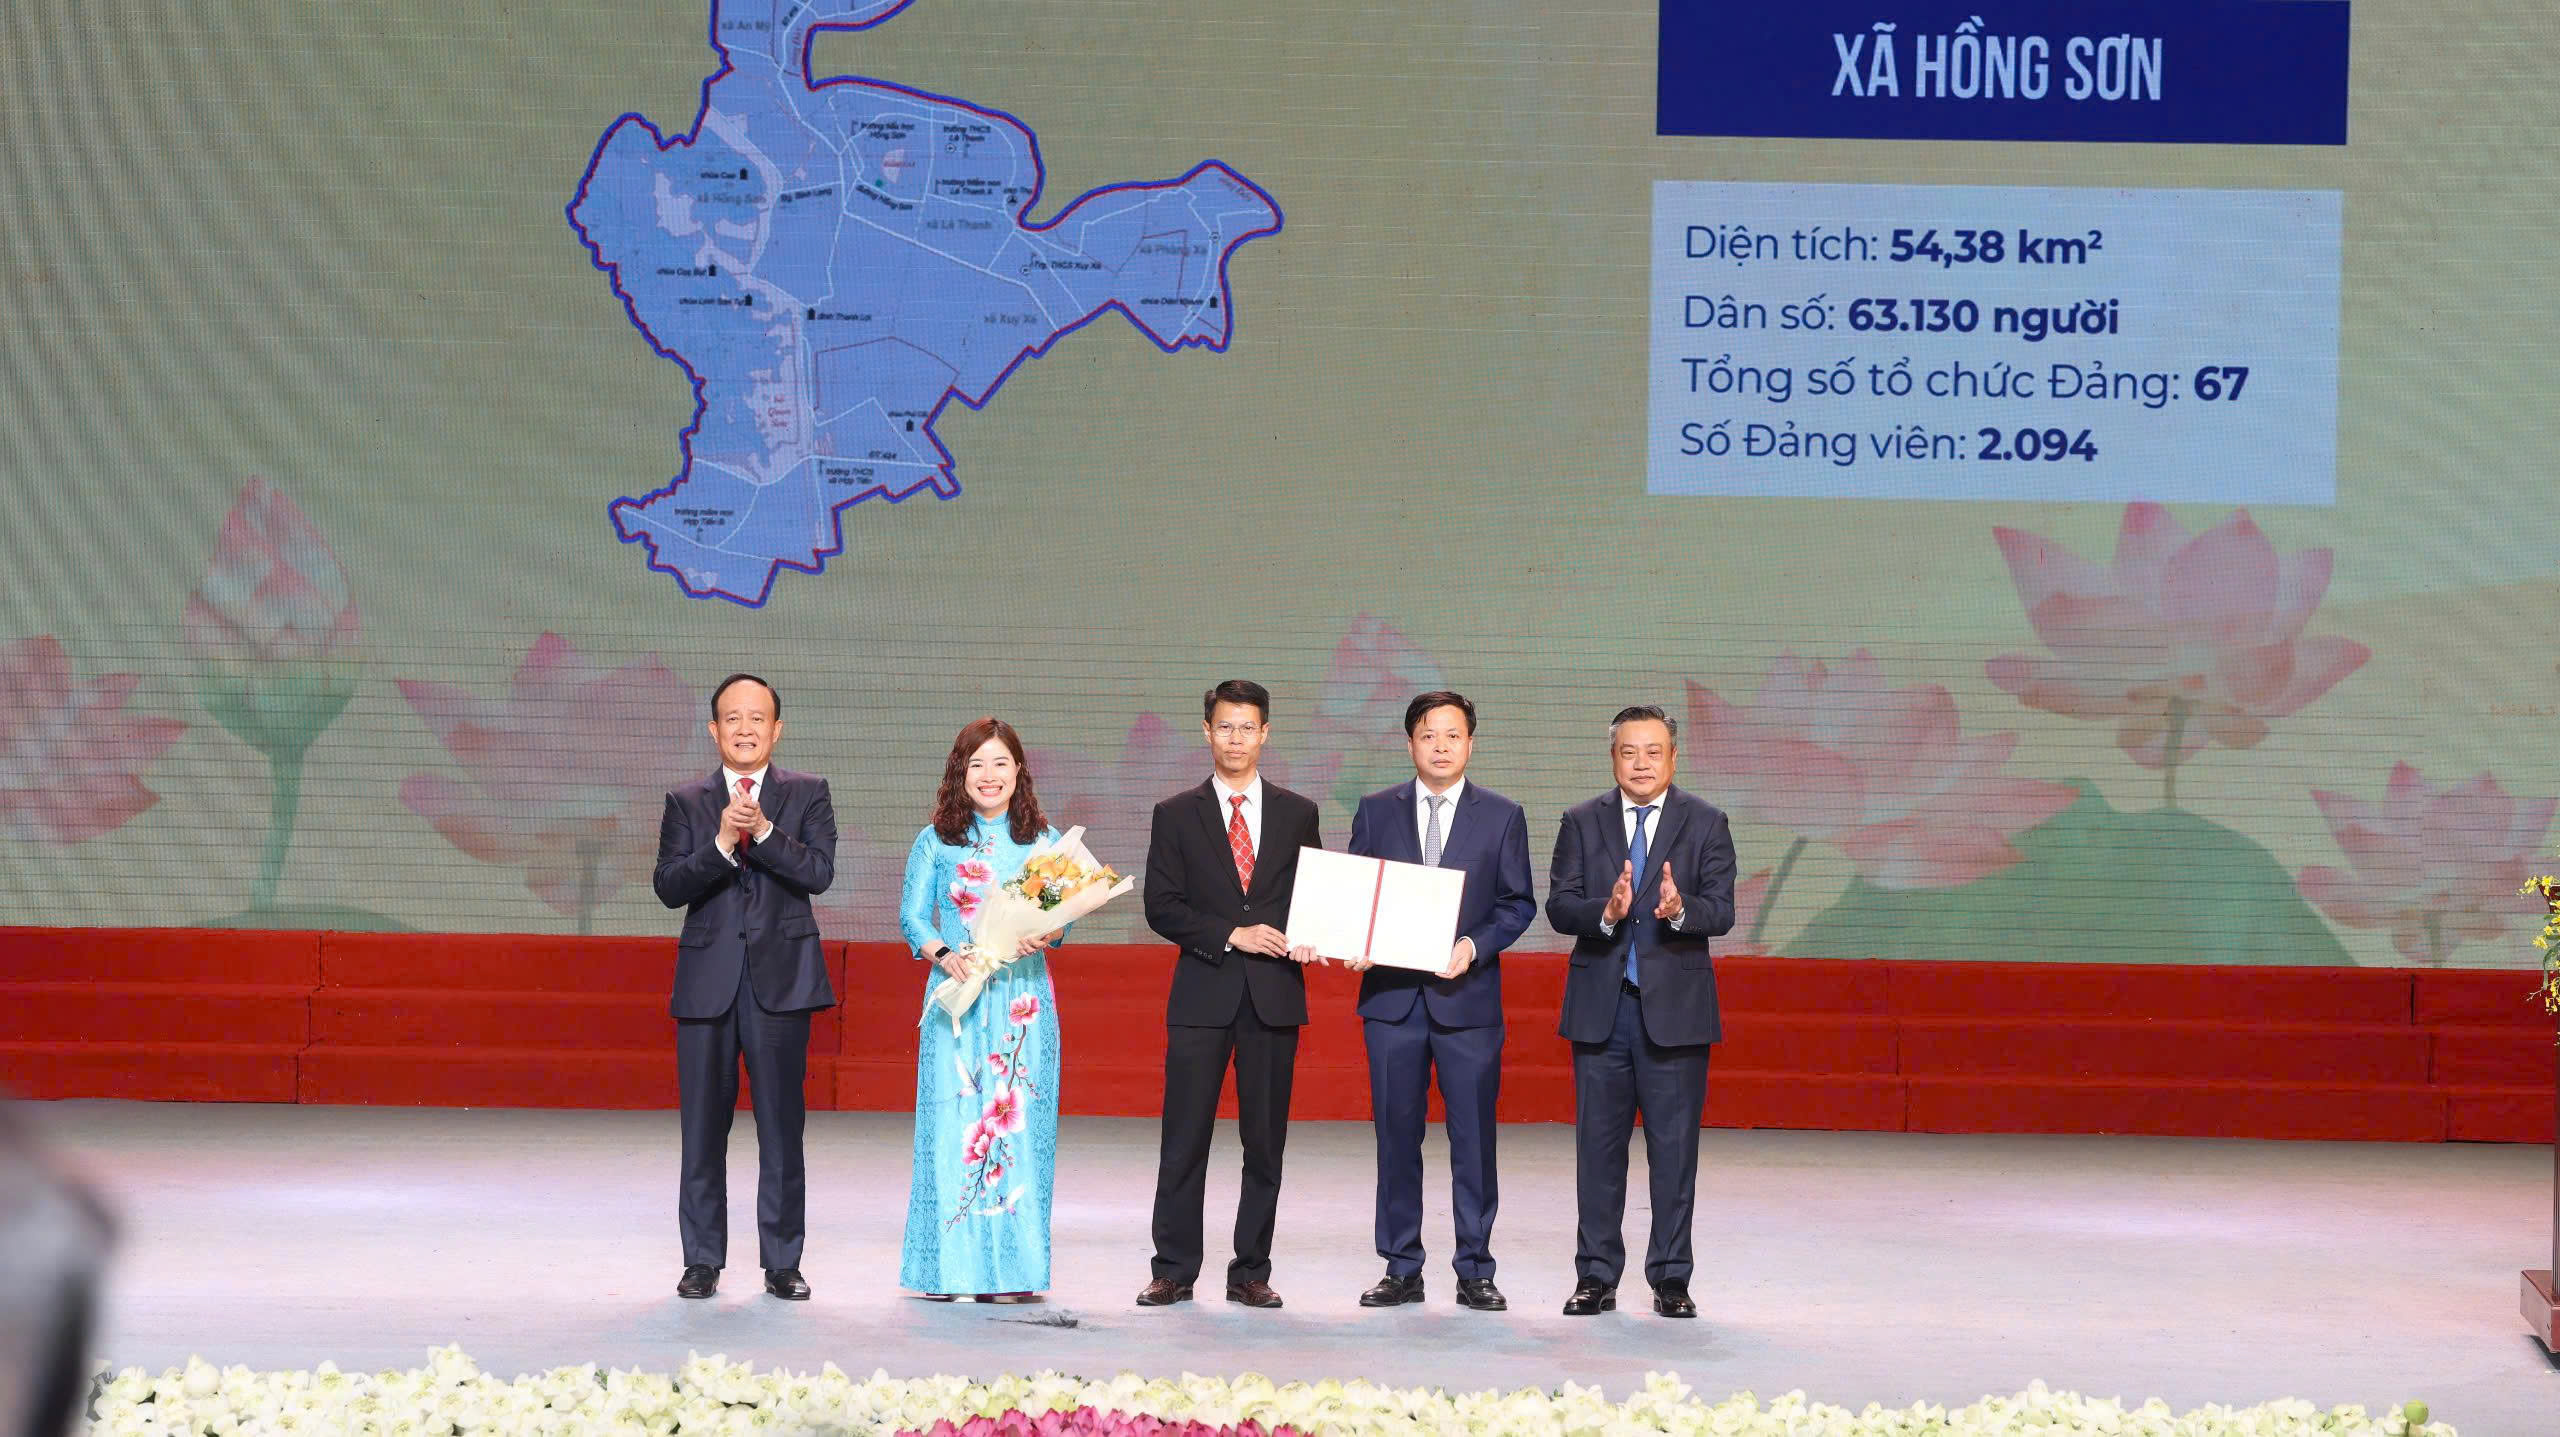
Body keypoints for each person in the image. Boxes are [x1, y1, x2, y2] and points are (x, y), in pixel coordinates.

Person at [1343, 691, 1535, 1312]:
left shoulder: (1502, 815)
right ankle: (1401, 1266)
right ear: (1410, 744)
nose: (1442, 747)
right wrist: (1356, 938)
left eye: (1453, 735)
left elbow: (1517, 903)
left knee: (1473, 1139)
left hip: (1467, 1001)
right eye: (1429, 735)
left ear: (1470, 743)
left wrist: (1474, 946)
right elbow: (1358, 893)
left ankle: (1475, 1268)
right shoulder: (1376, 811)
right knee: (1396, 1138)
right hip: (1392, 1002)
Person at [1136, 679, 1323, 1309]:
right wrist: (1230, 935)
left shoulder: (1298, 812)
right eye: (1225, 727)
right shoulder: (1175, 813)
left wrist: (1313, 933)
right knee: (1184, 1138)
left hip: (1274, 996)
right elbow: (1161, 906)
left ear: (1265, 733)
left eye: (1247, 727)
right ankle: (1173, 1269)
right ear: (1207, 732)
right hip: (1202, 994)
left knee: (1264, 1142)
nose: (1236, 738)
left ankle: (1250, 1271)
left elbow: (1313, 899)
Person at [1545, 703, 1735, 1320]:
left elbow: (1722, 910)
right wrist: (1605, 912)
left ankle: (1671, 1279)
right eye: (1629, 752)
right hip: (1602, 1011)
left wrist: (1681, 911)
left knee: (1674, 1154)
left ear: (1673, 757)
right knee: (1598, 1153)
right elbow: (1559, 905)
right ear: (1613, 758)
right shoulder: (1581, 821)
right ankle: (1595, 1277)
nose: (1642, 763)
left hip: (1675, 1014)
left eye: (1654, 751)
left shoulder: (1706, 821)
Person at [652, 673, 837, 1302]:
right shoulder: (686, 801)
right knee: (703, 1130)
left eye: (757, 718)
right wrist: (721, 844)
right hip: (708, 984)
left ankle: (782, 1261)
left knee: (782, 1127)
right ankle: (702, 1259)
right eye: (732, 718)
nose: (745, 728)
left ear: (776, 729)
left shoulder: (808, 793)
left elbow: (818, 873)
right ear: (714, 730)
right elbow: (669, 886)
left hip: (781, 983)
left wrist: (764, 834)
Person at [897, 717, 1068, 1302]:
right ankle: (949, 1272)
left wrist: (1047, 932)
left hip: (1022, 1005)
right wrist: (945, 954)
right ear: (960, 772)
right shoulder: (935, 841)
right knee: (953, 1129)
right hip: (957, 1001)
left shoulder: (1044, 843)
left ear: (1018, 770)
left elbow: (1061, 922)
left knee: (1018, 1131)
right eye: (977, 764)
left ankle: (1016, 1274)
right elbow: (913, 917)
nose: (989, 775)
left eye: (1000, 763)